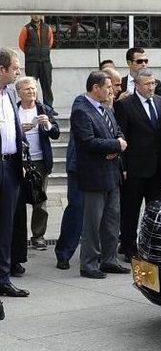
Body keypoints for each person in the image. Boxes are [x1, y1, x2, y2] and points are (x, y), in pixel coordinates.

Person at [71, 71, 129, 279]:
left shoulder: (106, 108)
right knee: (93, 224)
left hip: (112, 174)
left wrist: (118, 143)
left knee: (112, 221)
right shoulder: (81, 110)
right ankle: (89, 264)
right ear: (95, 88)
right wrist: (115, 145)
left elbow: (118, 131)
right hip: (94, 177)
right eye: (107, 87)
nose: (111, 91)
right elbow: (87, 142)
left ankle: (109, 260)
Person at [115, 69, 161, 262]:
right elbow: (122, 136)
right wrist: (124, 167)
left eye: (153, 83)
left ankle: (152, 244)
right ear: (137, 85)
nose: (151, 87)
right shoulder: (125, 105)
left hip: (157, 168)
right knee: (131, 210)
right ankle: (128, 246)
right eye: (147, 84)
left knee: (155, 209)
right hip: (135, 168)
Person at [11, 76, 59, 274]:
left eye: (33, 89)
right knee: (17, 202)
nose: (31, 92)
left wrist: (47, 124)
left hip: (39, 161)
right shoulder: (14, 109)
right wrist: (20, 130)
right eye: (27, 89)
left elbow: (55, 133)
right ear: (19, 92)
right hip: (19, 160)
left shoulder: (44, 109)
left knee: (40, 199)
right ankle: (18, 239)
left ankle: (38, 235)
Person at [0, 48, 29, 299]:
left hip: (10, 166)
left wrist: (18, 159)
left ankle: (3, 278)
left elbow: (15, 130)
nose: (18, 71)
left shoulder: (9, 93)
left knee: (6, 226)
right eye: (15, 67)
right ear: (2, 69)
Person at [54, 93, 85, 270]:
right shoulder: (81, 103)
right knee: (76, 209)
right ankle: (64, 253)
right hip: (79, 168)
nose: (114, 90)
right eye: (111, 86)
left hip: (103, 170)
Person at [17, 14, 55, 111]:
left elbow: (50, 42)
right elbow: (21, 44)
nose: (36, 16)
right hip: (31, 62)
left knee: (47, 85)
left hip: (45, 61)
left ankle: (49, 107)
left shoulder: (47, 28)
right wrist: (31, 52)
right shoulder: (26, 29)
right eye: (34, 13)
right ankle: (35, 107)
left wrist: (43, 51)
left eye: (38, 13)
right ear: (31, 15)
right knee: (31, 85)